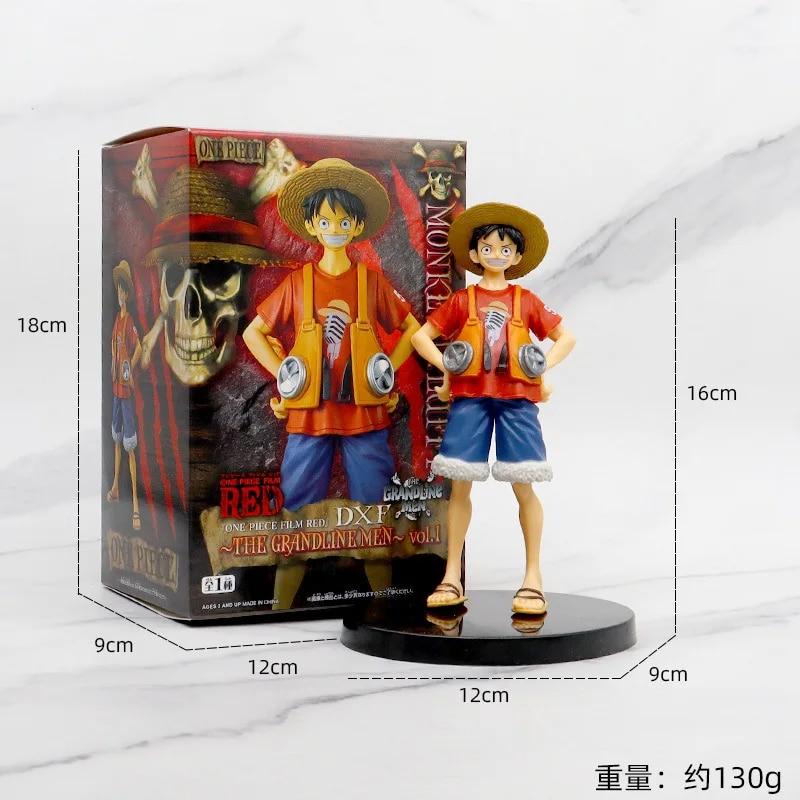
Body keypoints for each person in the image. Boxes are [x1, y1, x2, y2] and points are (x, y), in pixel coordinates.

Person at [411, 203, 576, 614]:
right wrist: (447, 365)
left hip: (517, 401)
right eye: (488, 248)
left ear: (516, 256)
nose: (496, 255)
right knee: (460, 486)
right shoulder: (462, 301)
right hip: (470, 400)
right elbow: (420, 337)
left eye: (505, 249)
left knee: (524, 485)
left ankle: (533, 576)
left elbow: (566, 338)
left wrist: (540, 369)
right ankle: (451, 574)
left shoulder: (526, 301)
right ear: (475, 253)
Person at [243, 158, 421, 511]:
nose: (334, 229)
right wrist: (286, 376)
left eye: (343, 221)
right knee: (297, 506)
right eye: (325, 221)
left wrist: (385, 371)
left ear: (357, 225)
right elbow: (254, 333)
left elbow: (412, 329)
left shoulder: (371, 283)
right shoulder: (298, 283)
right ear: (312, 225)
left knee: (375, 507)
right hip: (309, 414)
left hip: (364, 412)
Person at [107, 260, 143, 530]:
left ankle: (136, 508)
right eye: (118, 290)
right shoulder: (116, 321)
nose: (120, 294)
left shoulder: (129, 321)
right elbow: (113, 346)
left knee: (130, 445)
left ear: (128, 294)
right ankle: (115, 487)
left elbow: (139, 347)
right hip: (115, 390)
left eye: (123, 290)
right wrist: (115, 363)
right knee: (117, 439)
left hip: (126, 391)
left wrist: (130, 363)